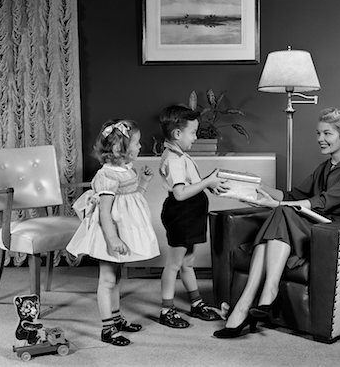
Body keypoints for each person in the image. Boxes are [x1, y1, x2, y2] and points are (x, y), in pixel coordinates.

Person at [213, 107, 340, 338]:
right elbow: (292, 195)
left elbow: (322, 201)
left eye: (327, 134)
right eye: (318, 133)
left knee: (282, 213)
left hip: (336, 229)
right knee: (281, 212)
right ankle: (251, 301)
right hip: (315, 222)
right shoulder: (326, 167)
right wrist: (256, 189)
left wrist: (275, 205)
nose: (320, 139)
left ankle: (255, 298)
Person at [67, 119, 160, 346]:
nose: (140, 147)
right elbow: (106, 213)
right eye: (136, 143)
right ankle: (107, 328)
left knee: (116, 278)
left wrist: (144, 182)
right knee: (107, 280)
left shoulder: (125, 171)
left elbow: (132, 198)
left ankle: (116, 318)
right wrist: (112, 239)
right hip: (109, 232)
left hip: (121, 229)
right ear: (120, 149)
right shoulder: (107, 176)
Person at [158, 105, 228, 328]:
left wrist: (208, 182)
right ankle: (166, 309)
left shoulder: (179, 155)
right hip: (182, 215)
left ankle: (196, 303)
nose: (196, 137)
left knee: (187, 262)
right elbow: (180, 194)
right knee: (174, 264)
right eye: (193, 132)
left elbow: (189, 184)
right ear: (177, 134)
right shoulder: (174, 159)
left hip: (191, 215)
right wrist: (207, 182)